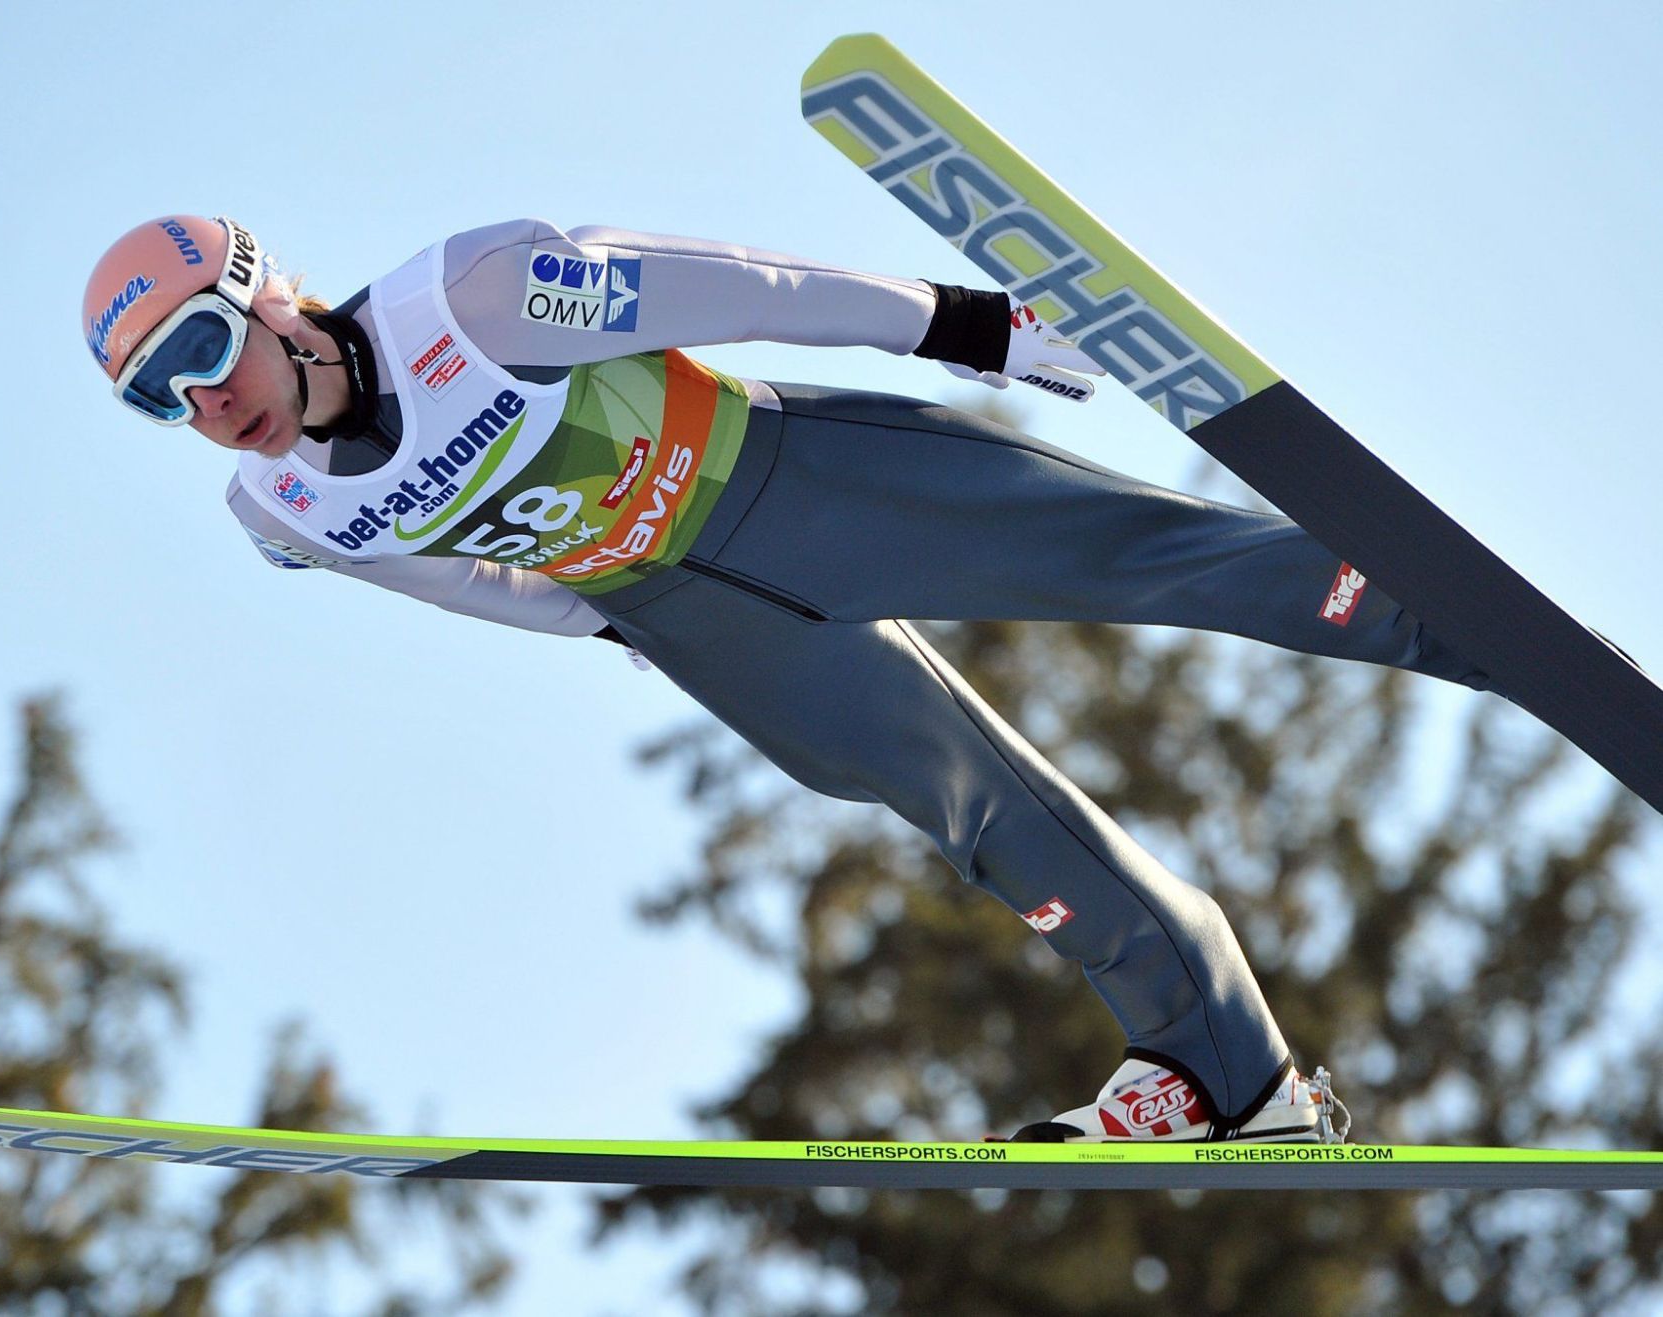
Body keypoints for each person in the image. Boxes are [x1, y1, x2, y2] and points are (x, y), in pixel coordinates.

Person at [82, 214, 1489, 1143]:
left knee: (1130, 555)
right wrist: (622, 627)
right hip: (705, 622)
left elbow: (739, 288)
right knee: (986, 819)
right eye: (161, 399)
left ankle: (1466, 628)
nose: (206, 401)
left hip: (797, 481)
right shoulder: (282, 510)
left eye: (202, 349)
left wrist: (958, 325)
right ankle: (1226, 1071)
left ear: (264, 291)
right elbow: (453, 580)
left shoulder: (470, 295)